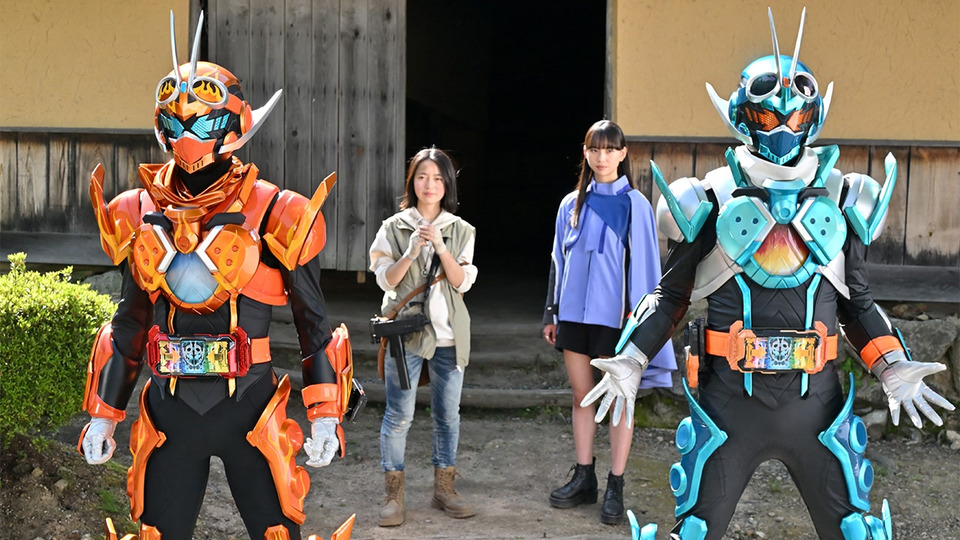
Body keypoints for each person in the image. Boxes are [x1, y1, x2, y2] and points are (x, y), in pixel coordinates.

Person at [583, 8, 955, 540]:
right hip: (728, 409)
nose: (782, 126)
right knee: (696, 532)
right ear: (742, 115)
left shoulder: (843, 198)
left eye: (794, 116)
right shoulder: (707, 198)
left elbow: (856, 303)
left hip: (817, 411)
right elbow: (671, 296)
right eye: (766, 114)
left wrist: (892, 364)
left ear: (814, 117)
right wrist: (632, 357)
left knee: (855, 531)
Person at [78, 11, 357, 540]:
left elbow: (312, 321)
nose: (187, 136)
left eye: (202, 123)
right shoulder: (139, 210)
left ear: (234, 125)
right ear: (161, 128)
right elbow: (130, 322)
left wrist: (325, 412)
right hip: (169, 411)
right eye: (175, 124)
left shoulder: (277, 210)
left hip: (251, 408)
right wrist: (104, 412)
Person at [543, 120, 676, 525]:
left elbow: (647, 268)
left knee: (619, 401)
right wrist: (550, 312)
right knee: (582, 397)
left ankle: (615, 484)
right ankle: (584, 477)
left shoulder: (635, 204)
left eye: (610, 149)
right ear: (586, 153)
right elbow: (557, 261)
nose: (602, 157)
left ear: (622, 154)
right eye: (594, 149)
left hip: (617, 322)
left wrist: (640, 323)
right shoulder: (570, 204)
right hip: (573, 318)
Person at [368, 147, 479, 527]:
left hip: (450, 337)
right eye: (421, 177)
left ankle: (444, 489)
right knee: (399, 415)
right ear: (411, 182)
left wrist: (442, 248)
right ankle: (393, 497)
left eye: (437, 178)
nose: (429, 185)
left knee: (448, 416)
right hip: (406, 337)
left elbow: (462, 282)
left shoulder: (462, 230)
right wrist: (412, 250)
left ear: (447, 184)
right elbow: (386, 280)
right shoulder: (393, 227)